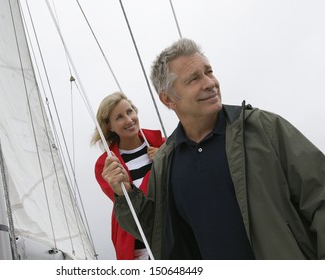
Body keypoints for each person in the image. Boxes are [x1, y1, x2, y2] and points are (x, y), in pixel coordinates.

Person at [102, 38, 325, 259]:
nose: (209, 83)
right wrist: (126, 194)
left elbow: (319, 196)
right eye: (194, 79)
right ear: (168, 99)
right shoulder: (165, 162)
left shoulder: (265, 129)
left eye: (209, 72)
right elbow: (160, 234)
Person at [92, 91, 164, 260]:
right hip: (136, 246)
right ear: (110, 126)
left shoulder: (164, 145)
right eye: (119, 117)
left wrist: (165, 158)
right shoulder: (106, 164)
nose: (129, 119)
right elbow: (123, 203)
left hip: (171, 236)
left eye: (130, 111)